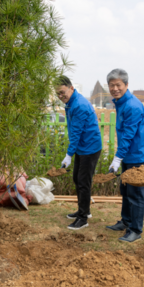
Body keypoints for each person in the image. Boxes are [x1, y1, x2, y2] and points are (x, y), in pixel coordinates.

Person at [105, 69, 144, 243]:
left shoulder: (132, 105)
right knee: (125, 190)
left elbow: (128, 135)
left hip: (139, 156)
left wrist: (117, 158)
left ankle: (135, 230)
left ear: (126, 85)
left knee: (135, 194)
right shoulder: (121, 103)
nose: (115, 88)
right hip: (130, 155)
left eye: (118, 85)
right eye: (112, 85)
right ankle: (126, 221)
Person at [55, 76, 102, 230]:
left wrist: (69, 155)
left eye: (63, 92)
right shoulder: (70, 103)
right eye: (58, 95)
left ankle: (83, 219)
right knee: (77, 178)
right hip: (82, 147)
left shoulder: (79, 105)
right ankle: (84, 210)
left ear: (71, 88)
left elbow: (75, 133)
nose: (61, 97)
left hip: (90, 148)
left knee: (83, 182)